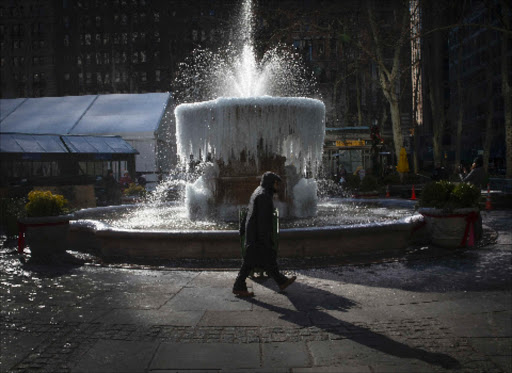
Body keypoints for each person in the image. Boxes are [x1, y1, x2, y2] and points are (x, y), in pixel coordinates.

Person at [233, 171, 296, 297]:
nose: (278, 187)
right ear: (272, 183)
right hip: (257, 236)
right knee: (251, 262)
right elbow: (263, 221)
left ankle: (281, 281)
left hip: (253, 234)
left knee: (268, 260)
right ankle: (238, 286)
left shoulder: (258, 191)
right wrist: (266, 239)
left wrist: (243, 229)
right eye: (277, 184)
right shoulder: (264, 196)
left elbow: (248, 211)